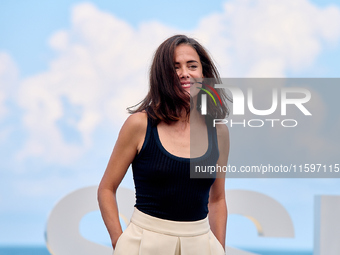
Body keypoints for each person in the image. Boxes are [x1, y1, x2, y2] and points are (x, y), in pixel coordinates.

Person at [98, 34, 230, 255]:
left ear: (204, 74)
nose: (184, 73)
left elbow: (217, 200)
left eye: (192, 65)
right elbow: (106, 189)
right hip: (144, 243)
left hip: (201, 244)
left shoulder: (219, 132)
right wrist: (118, 242)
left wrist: (219, 249)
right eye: (174, 67)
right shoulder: (139, 125)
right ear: (162, 75)